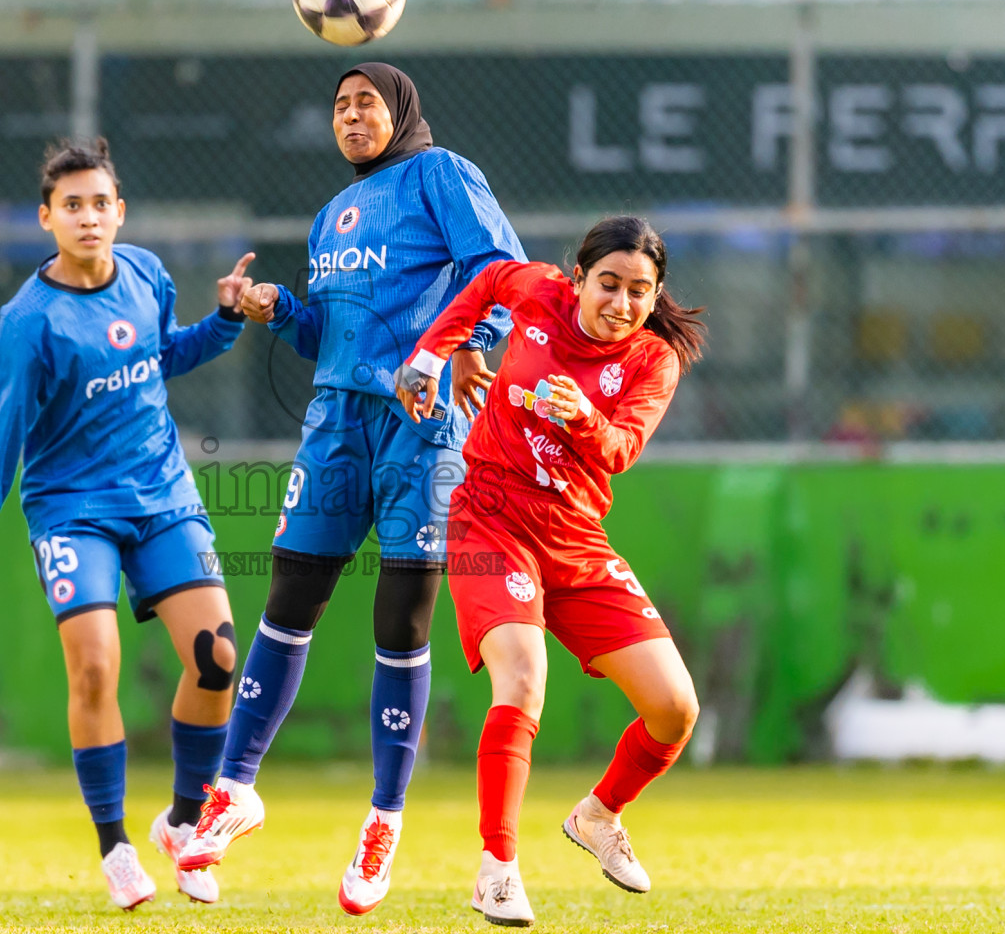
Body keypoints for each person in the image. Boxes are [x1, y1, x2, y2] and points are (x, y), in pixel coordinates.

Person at [177, 62, 527, 915]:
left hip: (421, 420)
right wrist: (279, 310)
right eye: (339, 106)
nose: (351, 116)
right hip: (336, 422)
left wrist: (467, 342)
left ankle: (383, 820)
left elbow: (503, 272)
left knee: (400, 621)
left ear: (400, 110)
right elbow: (328, 335)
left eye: (367, 101)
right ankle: (235, 789)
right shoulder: (331, 213)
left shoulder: (441, 175)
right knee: (288, 598)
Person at [0, 139, 253, 910]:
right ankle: (115, 847)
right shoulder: (29, 319)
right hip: (72, 509)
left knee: (217, 658)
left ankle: (183, 825)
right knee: (94, 668)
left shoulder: (146, 274)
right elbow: (5, 431)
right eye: (71, 205)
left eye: (99, 203)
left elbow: (163, 355)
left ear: (120, 212)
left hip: (162, 496)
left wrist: (223, 320)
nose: (88, 217)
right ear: (46, 218)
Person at [395, 215, 706, 926]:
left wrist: (584, 417)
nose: (621, 303)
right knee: (523, 678)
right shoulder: (537, 292)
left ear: (655, 295)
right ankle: (497, 870)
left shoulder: (653, 360)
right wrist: (436, 353)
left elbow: (621, 450)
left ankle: (599, 815)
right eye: (608, 284)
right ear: (579, 279)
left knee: (674, 709)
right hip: (491, 516)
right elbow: (483, 283)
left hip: (575, 538)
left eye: (639, 291)